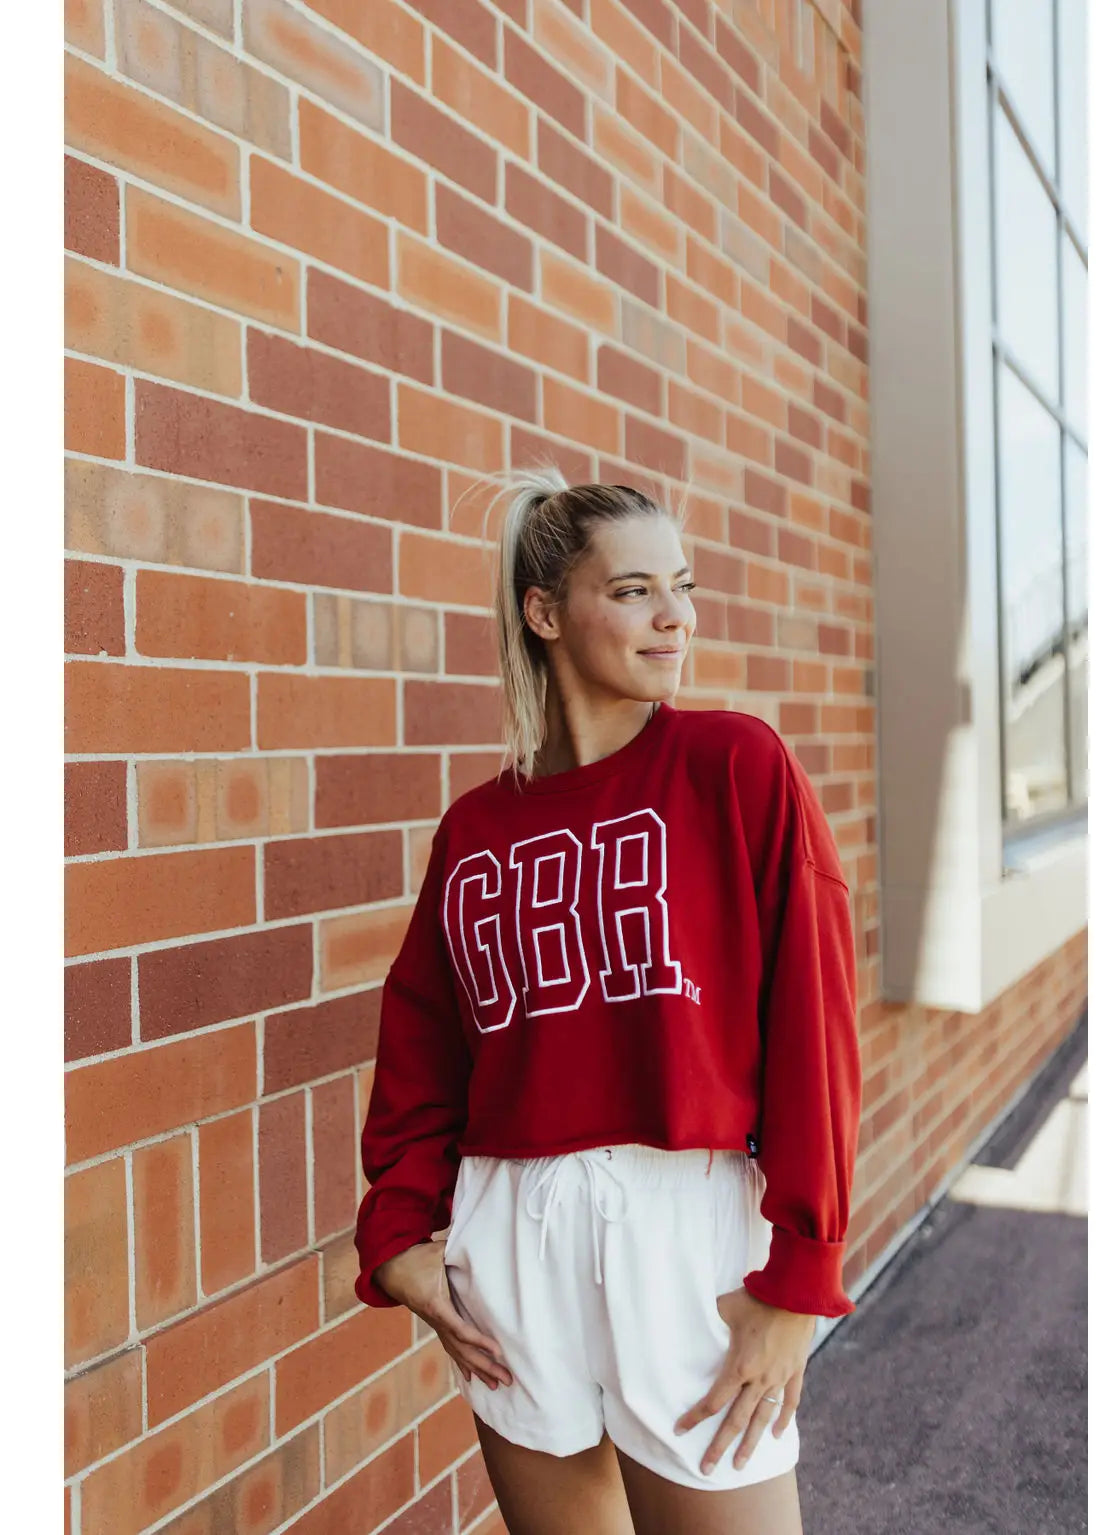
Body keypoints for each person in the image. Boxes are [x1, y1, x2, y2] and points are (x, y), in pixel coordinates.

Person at [354, 468, 862, 1535]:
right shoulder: (475, 829)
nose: (673, 613)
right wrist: (399, 1225)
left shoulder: (736, 767)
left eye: (680, 585)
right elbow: (425, 1041)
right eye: (633, 590)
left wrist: (800, 1272)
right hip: (512, 1237)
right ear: (544, 612)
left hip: (683, 1232)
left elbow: (814, 1029)